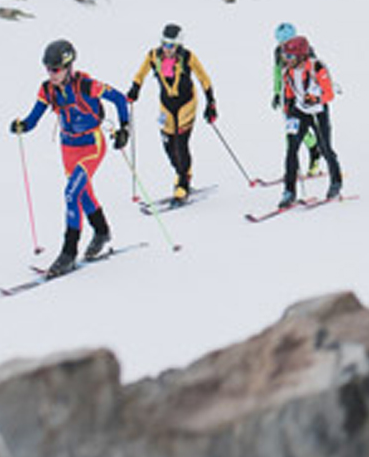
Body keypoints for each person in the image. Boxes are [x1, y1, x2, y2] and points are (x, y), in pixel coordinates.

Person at [11, 39, 131, 277]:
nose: (51, 74)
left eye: (55, 69)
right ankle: (102, 231)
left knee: (70, 193)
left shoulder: (86, 85)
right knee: (83, 193)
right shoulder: (47, 90)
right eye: (48, 69)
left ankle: (68, 252)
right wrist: (22, 125)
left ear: (68, 67)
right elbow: (34, 118)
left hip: (91, 146)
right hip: (68, 148)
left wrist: (124, 129)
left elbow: (119, 98)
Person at [126, 23, 217, 202]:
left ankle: (182, 182)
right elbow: (140, 74)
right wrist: (135, 89)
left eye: (171, 45)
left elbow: (204, 78)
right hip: (166, 106)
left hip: (186, 104)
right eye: (164, 43)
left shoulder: (188, 57)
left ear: (179, 45)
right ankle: (182, 172)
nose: (166, 49)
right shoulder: (153, 56)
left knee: (181, 143)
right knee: (168, 144)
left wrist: (211, 102)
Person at [276, 35, 342, 208]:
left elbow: (329, 94)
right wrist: (288, 106)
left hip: (318, 111)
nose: (286, 60)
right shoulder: (287, 71)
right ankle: (289, 191)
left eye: (290, 57)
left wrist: (316, 99)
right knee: (292, 149)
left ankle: (336, 182)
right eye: (285, 56)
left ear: (301, 56)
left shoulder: (317, 67)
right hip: (300, 111)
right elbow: (289, 91)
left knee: (325, 147)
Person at [271, 22, 322, 176]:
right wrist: (277, 92)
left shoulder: (306, 49)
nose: (284, 46)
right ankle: (292, 168)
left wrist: (311, 95)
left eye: (286, 42)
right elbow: (277, 73)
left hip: (303, 97)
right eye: (281, 42)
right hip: (288, 96)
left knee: (303, 129)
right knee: (290, 131)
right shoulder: (278, 52)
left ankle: (315, 153)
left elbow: (314, 73)